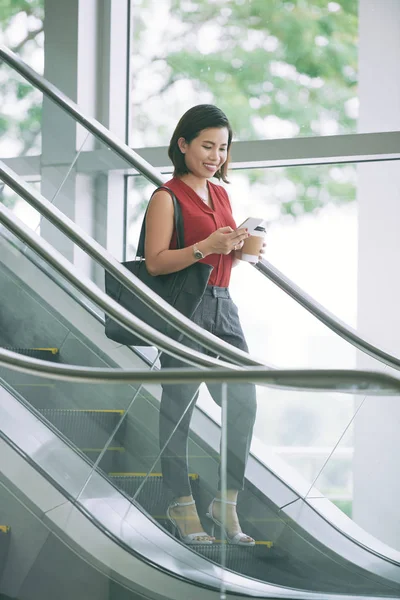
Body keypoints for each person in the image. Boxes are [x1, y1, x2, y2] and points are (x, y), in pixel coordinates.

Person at [144, 104, 263, 545]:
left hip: (223, 305)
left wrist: (240, 248)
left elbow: (218, 249)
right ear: (183, 144)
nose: (216, 156)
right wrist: (205, 246)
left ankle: (225, 504)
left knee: (243, 399)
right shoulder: (166, 197)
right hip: (185, 309)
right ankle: (180, 503)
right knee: (178, 409)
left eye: (223, 148)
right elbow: (155, 263)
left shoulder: (222, 195)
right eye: (207, 146)